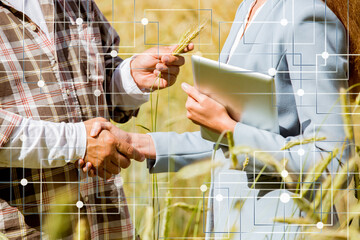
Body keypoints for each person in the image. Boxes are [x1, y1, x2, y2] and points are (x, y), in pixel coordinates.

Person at [87, 0, 359, 238]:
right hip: (233, 225)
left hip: (284, 227)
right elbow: (239, 142)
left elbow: (334, 160)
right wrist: (139, 142)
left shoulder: (307, 17)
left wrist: (228, 128)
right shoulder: (248, 8)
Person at [0, 0, 193, 239]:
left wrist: (131, 78)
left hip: (108, 222)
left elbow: (96, 86)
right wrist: (78, 143)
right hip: (29, 228)